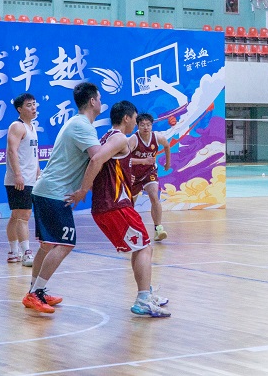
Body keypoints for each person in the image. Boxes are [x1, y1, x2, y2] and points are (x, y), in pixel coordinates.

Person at [66, 101, 170, 318]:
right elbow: (95, 160)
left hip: (107, 206)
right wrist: (83, 189)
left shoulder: (106, 137)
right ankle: (143, 299)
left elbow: (96, 162)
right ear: (126, 118)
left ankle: (146, 292)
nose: (136, 123)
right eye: (135, 119)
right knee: (145, 248)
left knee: (139, 247)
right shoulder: (119, 138)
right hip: (115, 205)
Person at [23, 82, 103, 314]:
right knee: (66, 244)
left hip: (47, 190)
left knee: (48, 245)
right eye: (99, 98)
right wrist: (83, 190)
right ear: (92, 101)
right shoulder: (82, 126)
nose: (101, 102)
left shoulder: (78, 124)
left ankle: (34, 290)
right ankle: (36, 293)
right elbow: (98, 158)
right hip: (54, 192)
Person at [4, 93, 41, 267]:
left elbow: (33, 153)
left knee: (16, 216)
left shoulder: (31, 127)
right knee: (23, 216)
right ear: (19, 109)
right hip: (19, 179)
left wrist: (38, 171)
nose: (33, 107)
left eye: (34, 104)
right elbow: (12, 151)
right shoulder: (17, 126)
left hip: (30, 178)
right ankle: (26, 252)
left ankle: (13, 252)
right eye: (29, 105)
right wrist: (18, 175)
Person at [128, 113, 172, 242]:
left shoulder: (157, 137)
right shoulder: (133, 140)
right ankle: (129, 229)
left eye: (148, 125)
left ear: (152, 126)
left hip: (149, 172)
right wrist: (143, 161)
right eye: (142, 125)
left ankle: (158, 228)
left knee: (154, 197)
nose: (146, 127)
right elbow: (125, 159)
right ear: (138, 126)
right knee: (130, 204)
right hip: (134, 176)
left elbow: (167, 146)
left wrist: (168, 163)